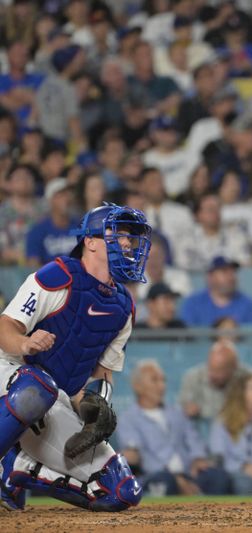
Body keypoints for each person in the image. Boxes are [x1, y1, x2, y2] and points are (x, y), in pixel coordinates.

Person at [0, 203, 151, 512]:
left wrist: (94, 409)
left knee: (121, 490)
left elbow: (95, 375)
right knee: (35, 387)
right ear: (91, 241)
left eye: (130, 237)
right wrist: (26, 343)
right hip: (9, 369)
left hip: (50, 396)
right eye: (118, 234)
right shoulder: (58, 275)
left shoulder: (124, 308)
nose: (127, 242)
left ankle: (16, 470)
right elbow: (5, 327)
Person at [117, 359, 230, 496]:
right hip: (155, 475)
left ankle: (214, 515)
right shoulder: (128, 419)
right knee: (165, 482)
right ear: (138, 386)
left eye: (163, 380)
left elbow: (194, 440)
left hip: (190, 473)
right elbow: (136, 454)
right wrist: (176, 478)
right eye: (155, 380)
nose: (162, 386)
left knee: (218, 477)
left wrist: (198, 459)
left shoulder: (178, 413)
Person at [179, 338, 252, 429]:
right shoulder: (192, 377)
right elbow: (181, 412)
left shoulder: (249, 379)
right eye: (211, 368)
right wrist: (187, 410)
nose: (212, 374)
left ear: (234, 368)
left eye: (219, 371)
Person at [179, 256, 252, 327]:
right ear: (210, 277)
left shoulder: (248, 305)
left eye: (233, 272)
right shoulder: (193, 304)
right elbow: (187, 339)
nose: (231, 277)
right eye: (224, 271)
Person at [25, 178, 80, 267]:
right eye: (60, 195)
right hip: (49, 278)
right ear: (50, 200)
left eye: (68, 194)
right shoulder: (37, 231)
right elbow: (32, 264)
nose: (66, 198)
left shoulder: (80, 226)